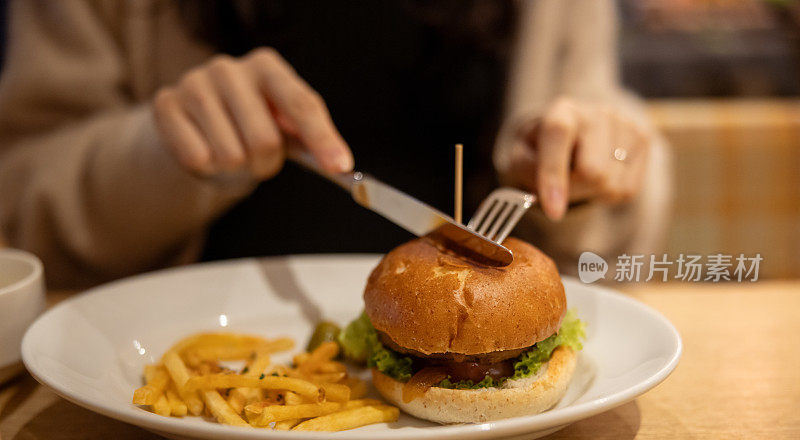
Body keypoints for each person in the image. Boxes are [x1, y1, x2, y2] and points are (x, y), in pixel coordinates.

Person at [0, 0, 670, 289]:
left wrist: (584, 170)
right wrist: (163, 154)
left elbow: (620, 207)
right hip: (189, 411)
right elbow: (17, 207)